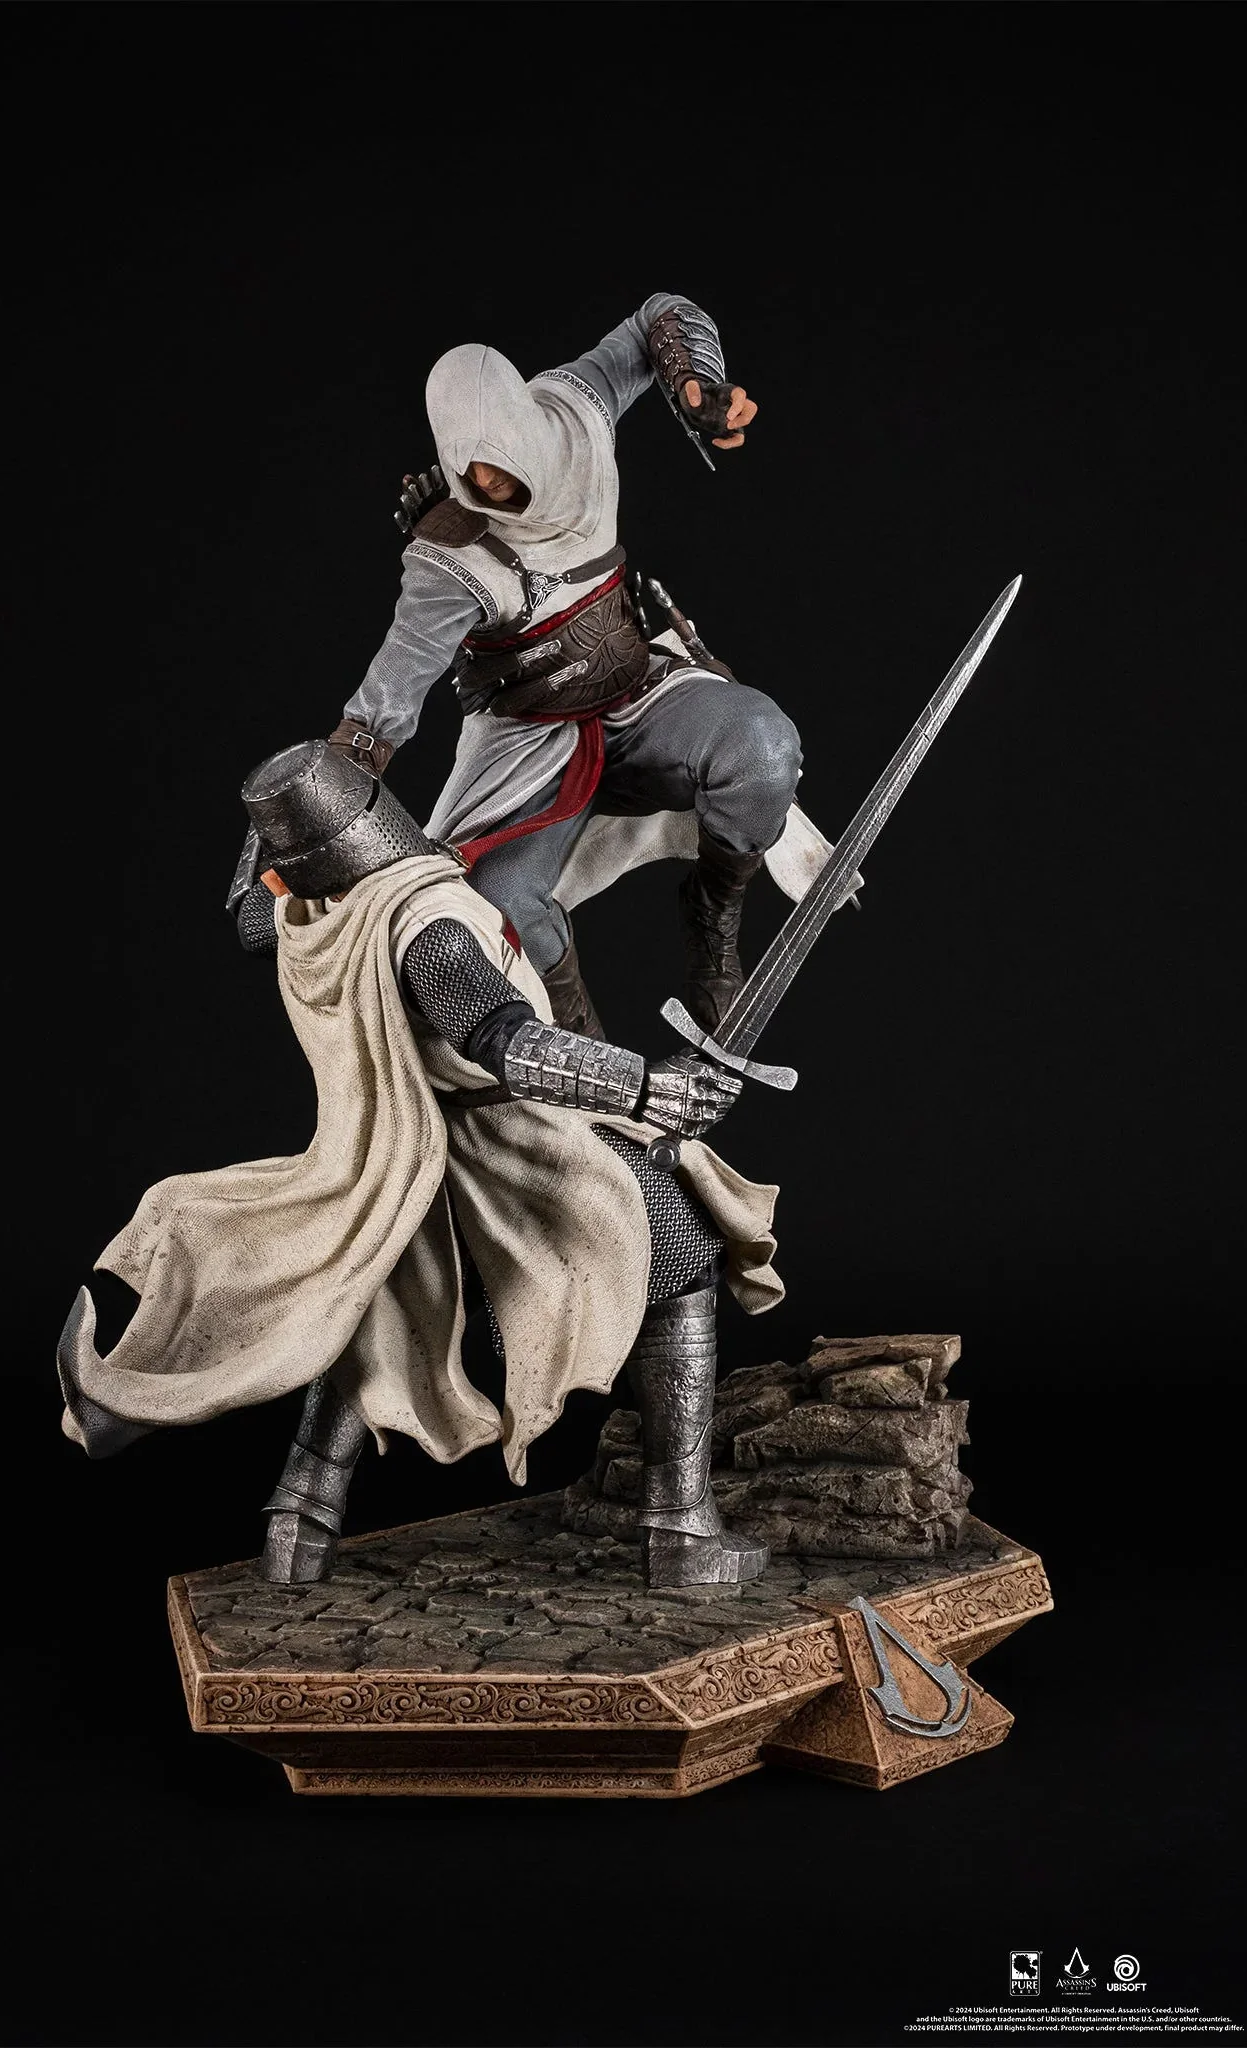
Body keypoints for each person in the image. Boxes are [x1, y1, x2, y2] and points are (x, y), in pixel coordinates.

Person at [60, 741, 784, 1590]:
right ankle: (681, 1532)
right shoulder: (425, 925)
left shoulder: (305, 918)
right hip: (505, 1147)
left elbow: (247, 908)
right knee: (683, 1248)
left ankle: (298, 1528)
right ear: (377, 818)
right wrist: (644, 1086)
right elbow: (509, 1046)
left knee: (365, 1305)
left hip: (391, 1156)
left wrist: (277, 819)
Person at [234, 293, 852, 1037]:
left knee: (761, 747)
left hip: (642, 691)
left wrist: (694, 383)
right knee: (497, 909)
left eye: (498, 455)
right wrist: (290, 841)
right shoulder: (448, 560)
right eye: (468, 464)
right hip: (527, 745)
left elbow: (656, 319)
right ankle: (586, 1063)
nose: (486, 479)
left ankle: (713, 928)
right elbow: (382, 707)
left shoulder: (575, 413)